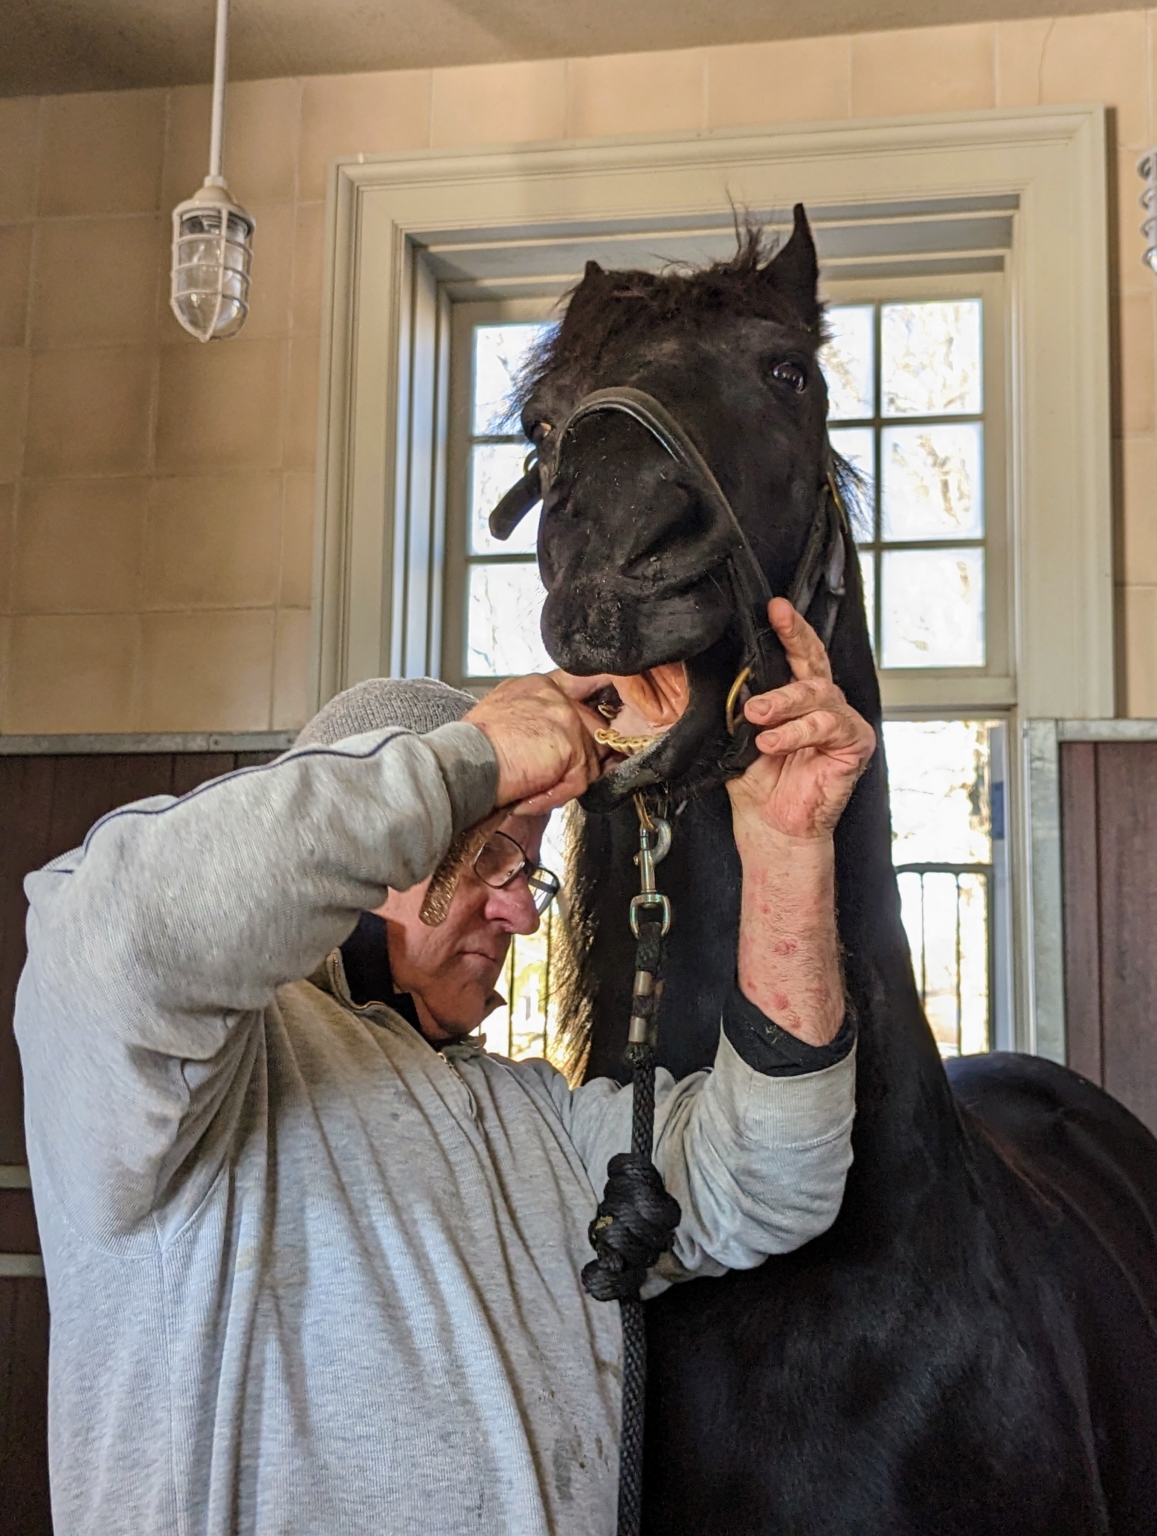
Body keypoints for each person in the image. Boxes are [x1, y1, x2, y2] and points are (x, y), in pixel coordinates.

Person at [16, 599, 875, 1536]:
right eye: (491, 860)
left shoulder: (535, 1120)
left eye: (530, 874)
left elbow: (773, 1181)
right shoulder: (186, 1076)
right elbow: (124, 932)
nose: (523, 916)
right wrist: (473, 760)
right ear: (380, 846)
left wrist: (789, 855)